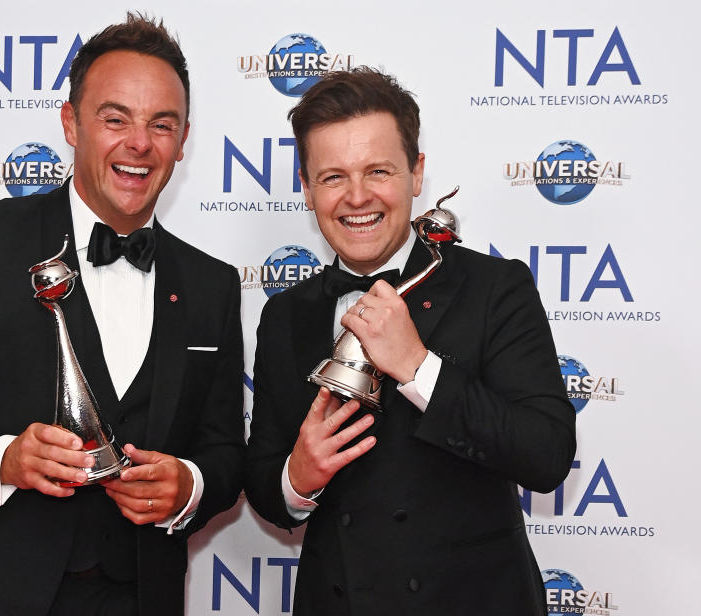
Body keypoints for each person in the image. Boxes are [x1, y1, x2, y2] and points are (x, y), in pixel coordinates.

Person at [0, 14, 244, 616]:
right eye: (115, 118)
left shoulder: (213, 285)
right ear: (71, 123)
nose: (139, 143)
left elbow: (224, 450)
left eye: (161, 124)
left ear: (183, 139)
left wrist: (189, 485)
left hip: (139, 595)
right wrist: (2, 459)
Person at [243, 67, 576, 615]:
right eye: (332, 177)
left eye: (378, 171)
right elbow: (263, 481)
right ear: (305, 187)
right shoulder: (285, 314)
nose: (357, 197)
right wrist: (296, 479)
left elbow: (547, 454)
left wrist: (419, 367)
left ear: (416, 173)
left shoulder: (494, 287)